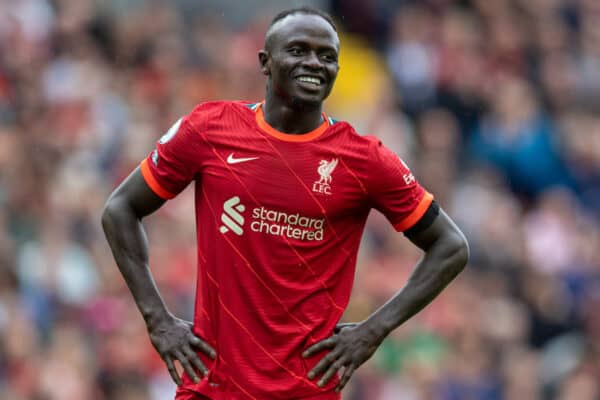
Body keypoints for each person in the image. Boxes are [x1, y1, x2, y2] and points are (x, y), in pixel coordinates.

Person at [101, 7, 469, 400]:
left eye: (327, 56)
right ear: (265, 61)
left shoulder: (364, 160)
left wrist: (372, 331)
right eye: (298, 50)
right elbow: (120, 210)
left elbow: (450, 246)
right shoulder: (209, 130)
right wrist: (157, 320)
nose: (314, 63)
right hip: (211, 387)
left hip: (306, 391)